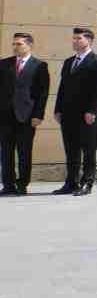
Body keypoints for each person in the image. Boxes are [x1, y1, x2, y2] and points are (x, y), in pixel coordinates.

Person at [54, 27, 97, 195]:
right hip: (68, 113)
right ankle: (71, 182)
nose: (75, 41)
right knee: (71, 150)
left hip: (87, 114)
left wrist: (92, 111)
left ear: (89, 41)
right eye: (74, 38)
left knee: (88, 149)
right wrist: (58, 109)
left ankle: (87, 182)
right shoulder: (69, 62)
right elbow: (62, 87)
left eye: (79, 38)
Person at [0, 33, 48, 196]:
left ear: (29, 45)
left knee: (24, 152)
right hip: (5, 116)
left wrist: (38, 115)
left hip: (27, 116)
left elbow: (42, 93)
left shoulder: (39, 66)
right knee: (6, 152)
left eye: (19, 44)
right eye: (14, 44)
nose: (15, 47)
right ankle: (8, 184)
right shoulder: (4, 64)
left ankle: (22, 184)